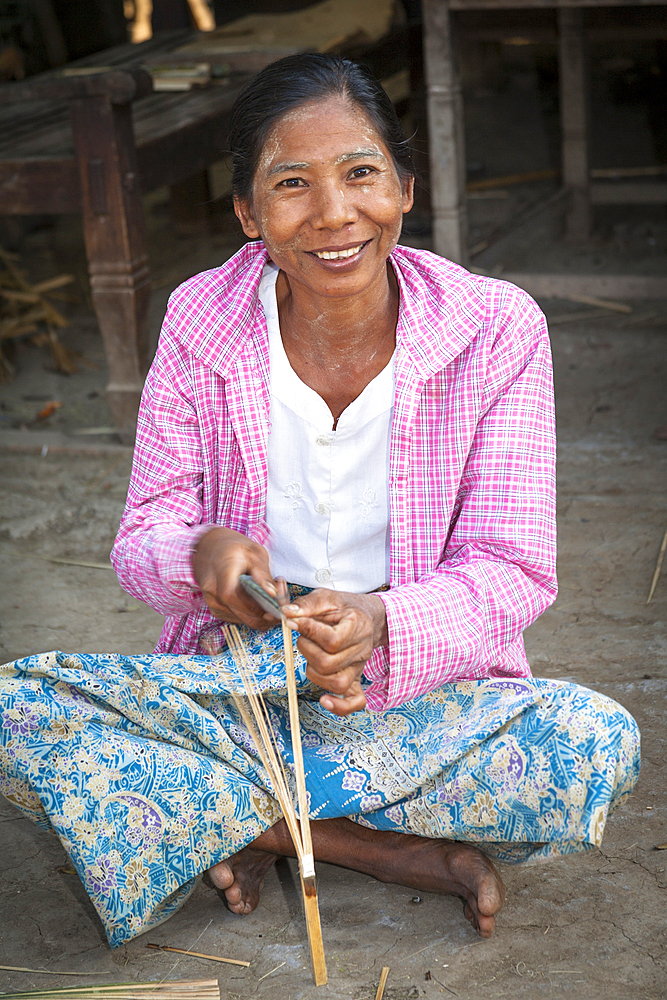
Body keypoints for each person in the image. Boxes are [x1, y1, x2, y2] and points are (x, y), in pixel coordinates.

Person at [0, 53, 639, 950]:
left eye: (361, 174)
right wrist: (200, 557)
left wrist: (381, 622)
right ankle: (366, 843)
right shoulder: (199, 320)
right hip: (237, 682)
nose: (334, 215)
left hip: (417, 692)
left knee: (591, 742)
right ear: (246, 212)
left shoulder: (494, 327)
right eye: (291, 184)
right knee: (16, 708)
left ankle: (232, 810)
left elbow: (514, 568)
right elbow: (143, 533)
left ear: (404, 189)